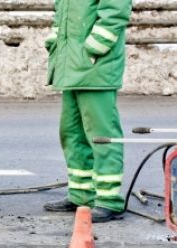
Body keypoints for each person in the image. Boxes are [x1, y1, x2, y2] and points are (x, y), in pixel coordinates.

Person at [44, 0, 132, 222]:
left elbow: (115, 12)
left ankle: (108, 200)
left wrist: (93, 48)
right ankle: (81, 195)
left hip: (95, 67)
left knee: (102, 136)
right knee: (72, 132)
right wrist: (55, 40)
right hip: (72, 66)